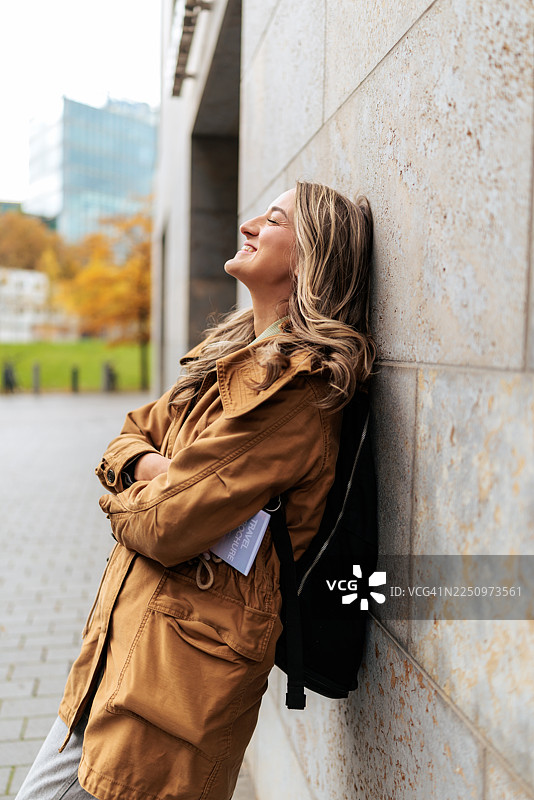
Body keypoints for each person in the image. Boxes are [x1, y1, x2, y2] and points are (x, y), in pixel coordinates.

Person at [16, 181, 376, 800]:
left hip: (174, 690)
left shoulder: (298, 391)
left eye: (274, 220)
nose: (248, 227)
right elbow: (128, 437)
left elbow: (164, 526)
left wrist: (145, 486)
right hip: (111, 657)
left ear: (310, 255)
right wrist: (160, 475)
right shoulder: (225, 358)